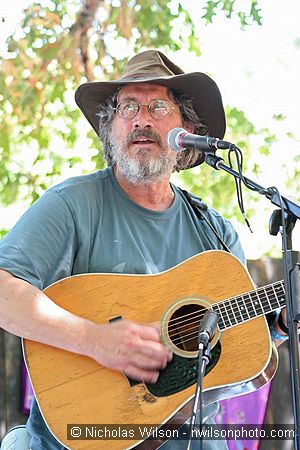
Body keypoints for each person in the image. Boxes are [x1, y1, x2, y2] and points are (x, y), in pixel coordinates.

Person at [0, 49, 288, 450]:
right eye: (128, 107)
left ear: (186, 128)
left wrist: (280, 326)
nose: (141, 119)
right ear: (111, 127)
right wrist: (95, 339)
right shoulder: (73, 205)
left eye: (157, 106)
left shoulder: (218, 234)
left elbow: (235, 348)